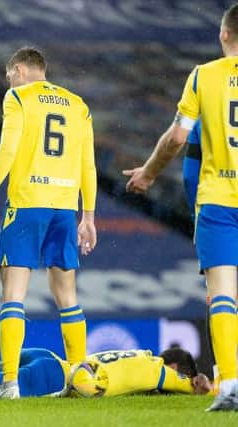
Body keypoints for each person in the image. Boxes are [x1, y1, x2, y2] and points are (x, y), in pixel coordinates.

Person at [124, 3, 238, 411]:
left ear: (225, 34)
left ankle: (230, 386)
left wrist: (150, 173)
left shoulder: (204, 76)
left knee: (223, 293)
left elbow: (176, 138)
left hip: (219, 200)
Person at [0, 47, 97, 399]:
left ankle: (10, 384)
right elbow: (88, 165)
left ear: (21, 69)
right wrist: (88, 216)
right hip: (64, 209)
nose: (7, 81)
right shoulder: (78, 105)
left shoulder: (19, 97)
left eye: (9, 74)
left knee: (13, 295)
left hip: (27, 204)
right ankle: (77, 376)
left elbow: (8, 147)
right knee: (68, 296)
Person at [0, 347, 211, 398]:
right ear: (174, 368)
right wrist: (196, 386)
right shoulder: (154, 370)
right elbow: (190, 386)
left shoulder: (141, 353)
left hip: (49, 356)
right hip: (57, 376)